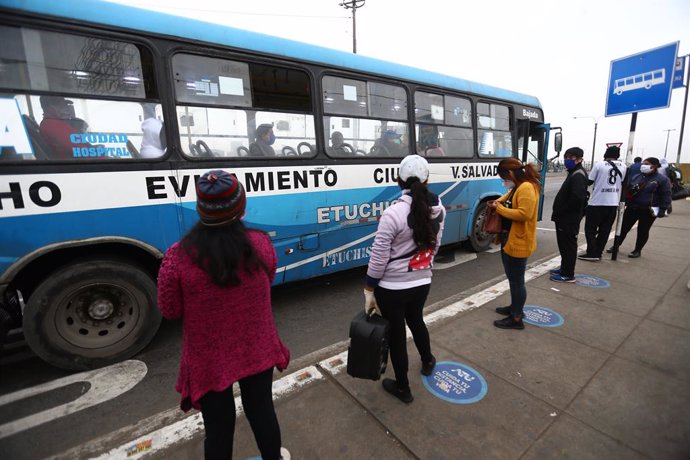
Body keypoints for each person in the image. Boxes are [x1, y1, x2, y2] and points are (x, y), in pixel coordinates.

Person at [157, 170, 290, 460]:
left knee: (218, 426)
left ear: (200, 208)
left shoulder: (177, 257)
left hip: (209, 357)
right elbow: (265, 282)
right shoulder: (262, 244)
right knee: (261, 410)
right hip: (257, 346)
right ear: (241, 206)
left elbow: (170, 310)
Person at [365, 154, 445, 403]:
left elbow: (378, 258)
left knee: (398, 336)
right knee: (417, 320)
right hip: (422, 282)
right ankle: (428, 360)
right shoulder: (439, 209)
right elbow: (435, 247)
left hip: (392, 289)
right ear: (427, 180)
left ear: (397, 179)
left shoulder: (392, 214)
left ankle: (403, 387)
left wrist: (369, 288)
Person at [488, 158, 541, 329]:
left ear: (510, 174)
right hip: (509, 239)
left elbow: (524, 214)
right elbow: (504, 200)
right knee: (513, 278)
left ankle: (516, 318)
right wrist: (497, 203)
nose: (503, 182)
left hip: (519, 241)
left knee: (517, 281)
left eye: (504, 178)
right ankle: (514, 307)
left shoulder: (526, 187)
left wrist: (499, 209)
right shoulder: (517, 187)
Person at [607, 157, 671, 258]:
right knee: (623, 228)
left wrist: (663, 208)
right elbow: (627, 190)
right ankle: (616, 246)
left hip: (648, 210)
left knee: (643, 231)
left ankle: (637, 250)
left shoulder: (662, 179)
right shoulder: (636, 176)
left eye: (646, 164)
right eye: (643, 163)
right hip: (633, 207)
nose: (643, 166)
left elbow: (666, 195)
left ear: (654, 166)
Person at [578, 146, 626, 261]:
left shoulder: (599, 165)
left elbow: (589, 181)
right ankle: (598, 252)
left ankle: (592, 252)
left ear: (606, 154)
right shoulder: (624, 167)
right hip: (613, 203)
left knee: (590, 229)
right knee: (605, 230)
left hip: (597, 202)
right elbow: (624, 183)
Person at [550, 147, 589, 283]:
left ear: (579, 159)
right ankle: (564, 268)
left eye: (571, 157)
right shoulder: (574, 172)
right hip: (566, 218)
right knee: (564, 245)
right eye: (566, 157)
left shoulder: (578, 174)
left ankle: (567, 274)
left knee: (568, 246)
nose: (568, 160)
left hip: (568, 219)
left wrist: (563, 212)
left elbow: (577, 199)